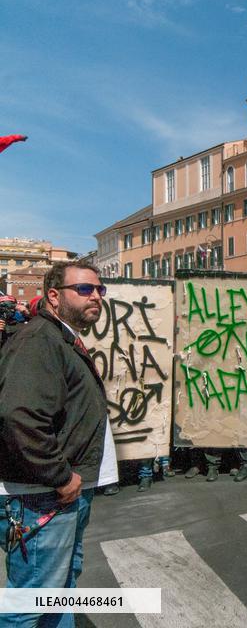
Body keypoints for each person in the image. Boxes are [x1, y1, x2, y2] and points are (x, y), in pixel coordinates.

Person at [0, 260, 116, 626]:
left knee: (58, 592)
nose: (96, 296)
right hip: (42, 495)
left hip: (58, 494)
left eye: (100, 290)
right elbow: (19, 415)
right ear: (53, 295)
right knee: (28, 604)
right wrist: (61, 476)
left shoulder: (60, 338)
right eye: (84, 289)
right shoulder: (40, 339)